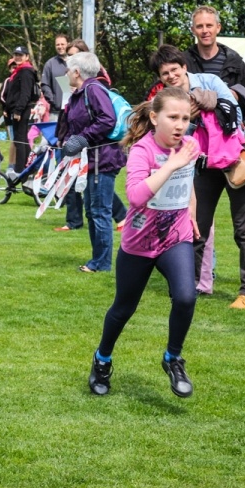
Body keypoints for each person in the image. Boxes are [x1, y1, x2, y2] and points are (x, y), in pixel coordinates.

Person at [88, 87, 200, 398]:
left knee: (186, 296)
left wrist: (191, 210)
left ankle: (173, 358)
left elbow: (188, 181)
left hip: (175, 236)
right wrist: (171, 165)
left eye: (185, 118)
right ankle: (102, 360)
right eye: (173, 117)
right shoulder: (142, 150)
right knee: (123, 309)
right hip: (140, 242)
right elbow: (136, 197)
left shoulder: (190, 146)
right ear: (154, 118)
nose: (180, 125)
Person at [153, 44, 245, 309]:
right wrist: (189, 119)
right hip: (203, 165)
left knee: (244, 227)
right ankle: (187, 287)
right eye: (165, 73)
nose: (171, 76)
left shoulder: (209, 81)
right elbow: (172, 135)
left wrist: (205, 107)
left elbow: (234, 113)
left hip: (235, 159)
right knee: (195, 227)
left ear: (184, 67)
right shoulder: (167, 99)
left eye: (174, 69)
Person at [184, 5, 245, 291]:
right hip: (202, 153)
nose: (205, 30)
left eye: (209, 25)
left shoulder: (234, 60)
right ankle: (202, 278)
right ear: (193, 29)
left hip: (234, 150)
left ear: (218, 28)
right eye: (200, 26)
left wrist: (231, 99)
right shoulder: (185, 61)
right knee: (199, 220)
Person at [59, 51, 126, 272]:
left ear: (77, 72)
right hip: (90, 161)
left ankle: (102, 263)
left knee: (99, 212)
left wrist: (83, 139)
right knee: (91, 211)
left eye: (68, 70)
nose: (66, 74)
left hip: (102, 159)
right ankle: (97, 259)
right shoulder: (80, 93)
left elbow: (107, 119)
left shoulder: (94, 90)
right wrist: (68, 140)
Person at [3, 46, 40, 175]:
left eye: (21, 55)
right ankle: (30, 166)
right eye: (16, 55)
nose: (18, 57)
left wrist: (18, 111)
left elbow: (25, 94)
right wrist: (8, 108)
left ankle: (20, 169)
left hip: (22, 110)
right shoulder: (19, 71)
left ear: (27, 57)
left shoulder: (26, 72)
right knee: (21, 139)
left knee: (19, 139)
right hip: (16, 109)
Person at [41, 34, 69, 121]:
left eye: (62, 44)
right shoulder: (50, 64)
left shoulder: (75, 62)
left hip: (74, 110)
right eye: (57, 45)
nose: (60, 47)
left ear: (68, 44)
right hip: (56, 112)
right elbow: (45, 84)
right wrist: (53, 100)